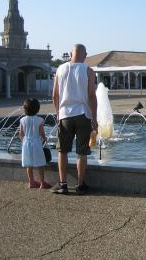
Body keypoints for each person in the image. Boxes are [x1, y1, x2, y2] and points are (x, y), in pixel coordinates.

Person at [51, 44, 98, 195]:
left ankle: (63, 184)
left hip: (65, 115)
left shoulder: (60, 69)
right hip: (83, 114)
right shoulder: (88, 70)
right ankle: (80, 185)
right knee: (82, 152)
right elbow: (91, 95)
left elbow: (54, 95)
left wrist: (58, 114)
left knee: (62, 151)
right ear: (85, 56)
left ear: (71, 54)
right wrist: (94, 118)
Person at [19, 98, 51, 189]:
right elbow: (42, 133)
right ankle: (42, 183)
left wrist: (24, 141)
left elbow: (21, 134)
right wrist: (45, 139)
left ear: (25, 109)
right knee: (40, 163)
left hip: (26, 143)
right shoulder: (40, 120)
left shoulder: (22, 120)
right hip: (36, 143)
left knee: (29, 164)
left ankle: (31, 183)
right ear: (37, 109)